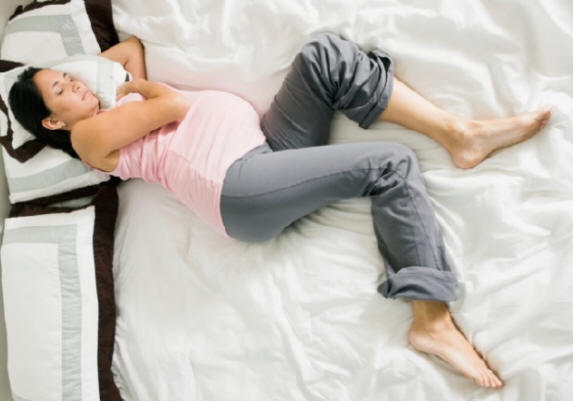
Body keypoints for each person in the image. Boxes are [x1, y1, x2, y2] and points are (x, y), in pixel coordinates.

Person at [9, 32, 551, 389]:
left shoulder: (112, 102)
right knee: (390, 164)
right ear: (53, 122)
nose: (75, 83)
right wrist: (131, 89)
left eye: (69, 76)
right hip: (237, 188)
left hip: (266, 150)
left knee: (324, 58)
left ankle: (458, 134)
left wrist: (94, 78)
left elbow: (128, 47)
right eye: (61, 89)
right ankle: (430, 320)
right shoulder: (87, 135)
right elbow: (173, 104)